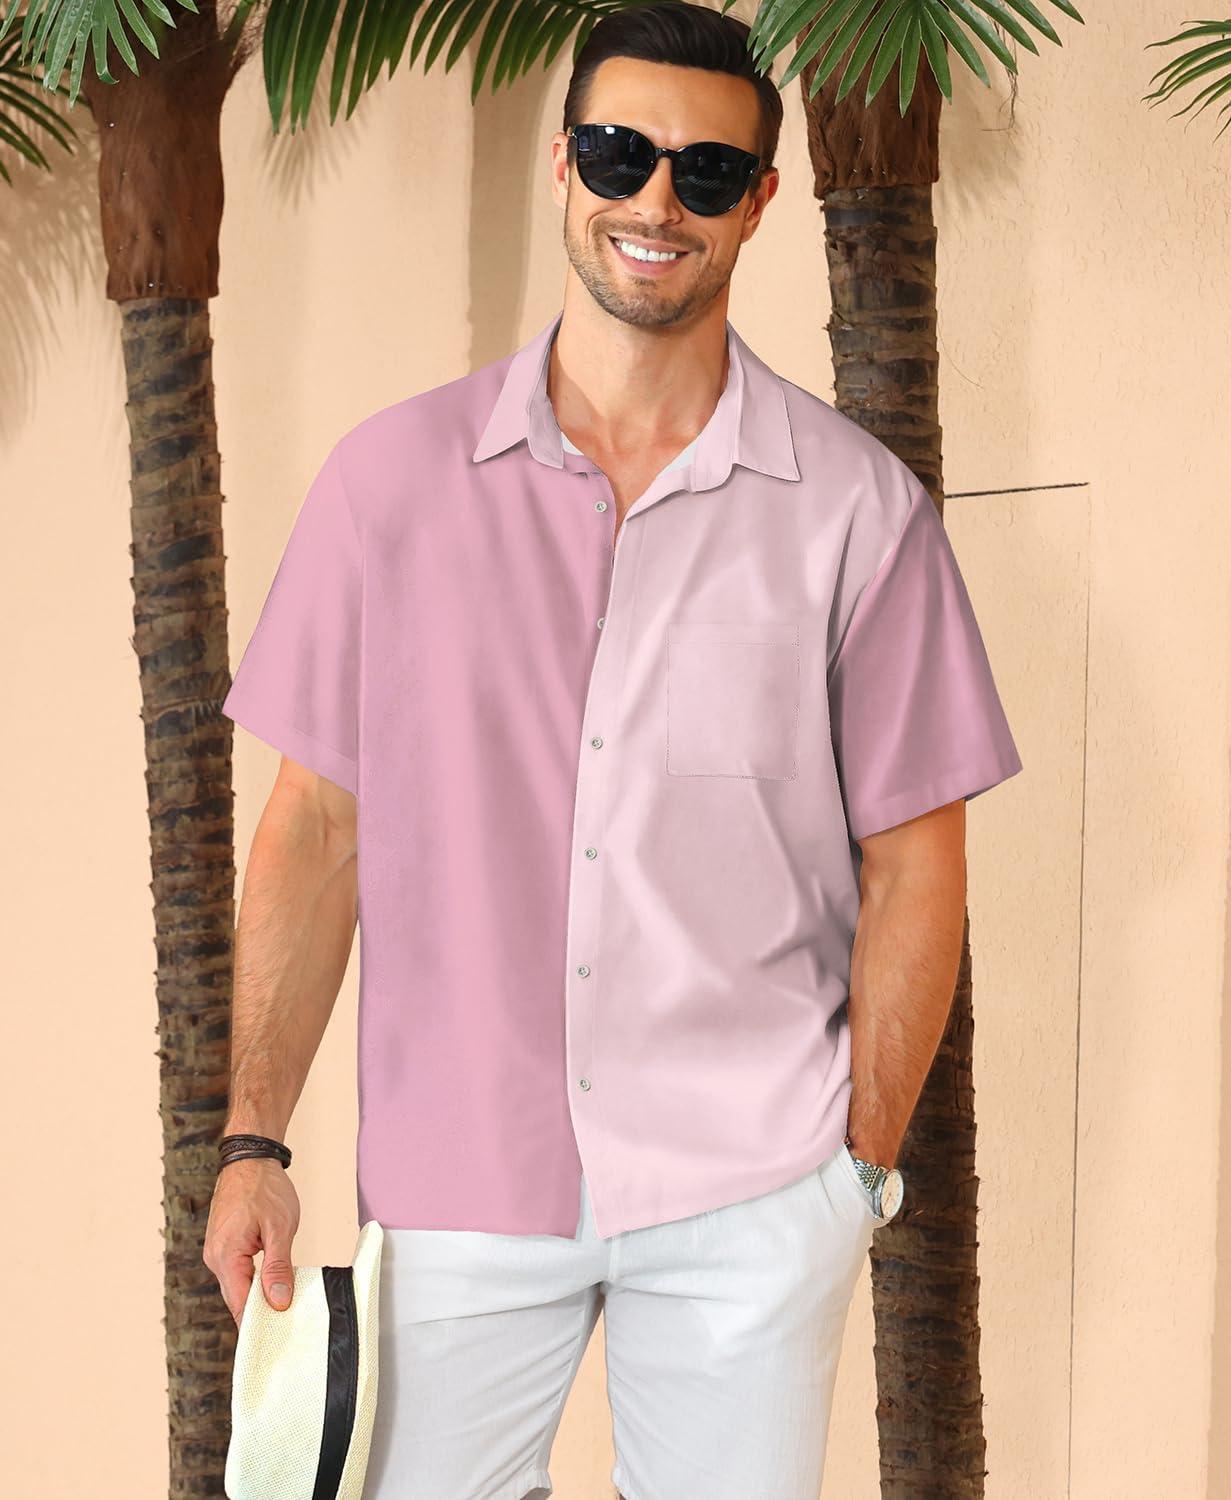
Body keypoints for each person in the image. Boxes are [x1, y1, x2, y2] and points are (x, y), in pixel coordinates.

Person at [203, 3, 1023, 1495]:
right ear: (564, 165)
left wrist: (852, 1175)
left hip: (748, 1192)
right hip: (457, 1182)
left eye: (705, 173)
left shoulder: (857, 513)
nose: (656, 199)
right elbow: (316, 828)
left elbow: (917, 862)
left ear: (757, 203)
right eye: (618, 153)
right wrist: (253, 1140)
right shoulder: (389, 486)